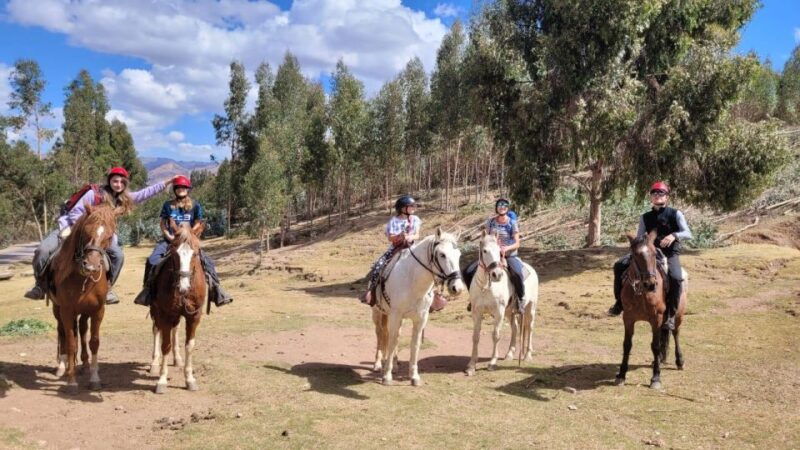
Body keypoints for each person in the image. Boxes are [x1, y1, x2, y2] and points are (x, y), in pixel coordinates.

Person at [25, 167, 176, 304]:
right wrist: (86, 228)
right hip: (72, 229)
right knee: (43, 250)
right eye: (115, 181)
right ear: (109, 181)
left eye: (122, 182)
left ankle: (108, 288)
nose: (118, 184)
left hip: (101, 236)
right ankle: (40, 285)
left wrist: (166, 183)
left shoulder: (123, 199)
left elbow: (144, 194)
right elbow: (75, 212)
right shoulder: (94, 194)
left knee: (118, 255)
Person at [133, 175, 233, 307]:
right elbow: (163, 223)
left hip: (188, 242)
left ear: (188, 189)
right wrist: (169, 236)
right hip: (170, 241)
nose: (181, 190)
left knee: (208, 262)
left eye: (183, 188)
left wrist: (190, 234)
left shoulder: (195, 205)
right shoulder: (168, 205)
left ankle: (217, 290)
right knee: (152, 260)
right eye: (178, 188)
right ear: (175, 190)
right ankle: (147, 292)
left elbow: (198, 222)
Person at [608, 181, 692, 330]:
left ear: (667, 197)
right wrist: (637, 245)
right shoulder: (645, 217)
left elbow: (688, 233)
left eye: (661, 193)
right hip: (649, 253)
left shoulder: (676, 213)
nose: (657, 196)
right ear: (651, 197)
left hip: (669, 253)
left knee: (677, 277)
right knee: (619, 265)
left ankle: (671, 315)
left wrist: (674, 235)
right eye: (654, 193)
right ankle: (618, 304)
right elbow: (640, 237)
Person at [462, 198, 526, 311]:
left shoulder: (512, 223)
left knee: (517, 272)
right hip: (492, 255)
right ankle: (472, 298)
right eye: (500, 205)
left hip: (508, 254)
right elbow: (486, 238)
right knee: (467, 272)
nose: (502, 207)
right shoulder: (491, 222)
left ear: (507, 208)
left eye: (505, 205)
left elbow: (517, 243)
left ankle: (520, 299)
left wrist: (506, 248)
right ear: (496, 207)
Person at [359, 195, 421, 306]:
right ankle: (371, 293)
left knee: (428, 264)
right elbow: (390, 237)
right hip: (397, 247)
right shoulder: (394, 221)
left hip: (412, 246)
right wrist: (400, 237)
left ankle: (434, 295)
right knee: (378, 265)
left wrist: (410, 237)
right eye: (411, 206)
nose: (414, 208)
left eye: (414, 206)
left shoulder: (415, 219)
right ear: (403, 208)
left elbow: (417, 235)